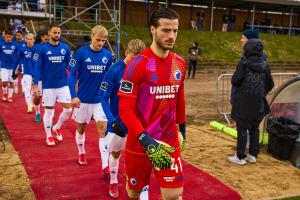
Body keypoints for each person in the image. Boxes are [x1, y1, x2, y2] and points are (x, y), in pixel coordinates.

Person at [118, 8, 187, 200]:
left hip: (167, 139)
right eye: (165, 30)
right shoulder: (137, 64)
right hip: (140, 141)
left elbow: (179, 96)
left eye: (175, 30)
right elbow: (124, 109)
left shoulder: (180, 63)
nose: (171, 36)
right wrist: (146, 141)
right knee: (134, 192)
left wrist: (182, 129)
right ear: (152, 30)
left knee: (174, 194)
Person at [100, 39, 148, 199]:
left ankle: (142, 191)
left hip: (139, 124)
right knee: (115, 153)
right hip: (119, 123)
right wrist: (112, 120)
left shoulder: (145, 70)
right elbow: (103, 96)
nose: (136, 63)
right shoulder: (114, 69)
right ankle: (113, 180)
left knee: (140, 158)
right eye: (134, 59)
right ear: (127, 53)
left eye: (140, 60)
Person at [68, 25, 112, 178]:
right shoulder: (81, 53)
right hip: (83, 100)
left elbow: (109, 78)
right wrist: (74, 95)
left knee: (103, 130)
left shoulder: (107, 55)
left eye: (104, 40)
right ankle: (81, 152)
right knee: (81, 128)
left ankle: (105, 165)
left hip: (100, 100)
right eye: (98, 39)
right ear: (92, 36)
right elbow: (72, 76)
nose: (100, 43)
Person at [229, 38, 274, 165]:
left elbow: (235, 80)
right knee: (255, 128)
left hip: (243, 102)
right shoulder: (265, 65)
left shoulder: (244, 63)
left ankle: (240, 156)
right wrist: (260, 92)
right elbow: (270, 83)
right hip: (258, 102)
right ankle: (252, 155)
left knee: (242, 128)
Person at [33, 23, 72, 146]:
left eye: (59, 33)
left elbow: (69, 66)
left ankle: (57, 127)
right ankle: (49, 136)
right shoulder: (42, 49)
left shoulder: (65, 48)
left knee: (68, 109)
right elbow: (37, 67)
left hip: (63, 84)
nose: (57, 35)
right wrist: (35, 85)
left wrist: (74, 80)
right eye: (54, 32)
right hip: (48, 86)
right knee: (49, 112)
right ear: (49, 33)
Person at [13, 33, 36, 113]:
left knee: (34, 90)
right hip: (26, 71)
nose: (29, 41)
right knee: (27, 89)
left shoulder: (37, 49)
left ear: (34, 40)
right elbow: (17, 59)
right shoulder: (22, 48)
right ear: (25, 40)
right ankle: (29, 106)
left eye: (31, 39)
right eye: (28, 39)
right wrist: (14, 70)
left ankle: (32, 102)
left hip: (36, 72)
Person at [32, 30, 49, 122]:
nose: (46, 37)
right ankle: (37, 112)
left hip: (50, 78)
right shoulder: (36, 47)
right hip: (40, 77)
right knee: (37, 97)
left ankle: (48, 116)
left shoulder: (54, 47)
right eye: (44, 36)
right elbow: (34, 62)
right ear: (41, 37)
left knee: (49, 99)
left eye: (47, 35)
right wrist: (35, 77)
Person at [0, 30, 18, 102]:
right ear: (5, 37)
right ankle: (5, 93)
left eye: (10, 37)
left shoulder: (15, 45)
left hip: (12, 67)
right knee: (4, 81)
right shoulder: (1, 44)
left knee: (11, 82)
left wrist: (18, 66)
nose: (8, 38)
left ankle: (10, 97)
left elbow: (18, 55)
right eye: (7, 37)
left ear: (12, 37)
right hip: (3, 66)